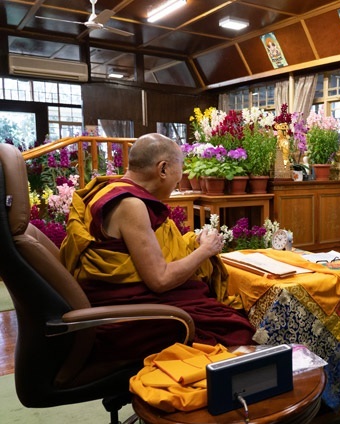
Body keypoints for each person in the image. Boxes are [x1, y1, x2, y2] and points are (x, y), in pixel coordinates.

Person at [59, 133, 256, 362]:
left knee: (220, 309)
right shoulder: (131, 205)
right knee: (237, 328)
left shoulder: (108, 189)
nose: (178, 180)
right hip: (127, 322)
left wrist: (192, 243)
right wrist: (205, 250)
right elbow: (160, 280)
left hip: (119, 301)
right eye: (179, 171)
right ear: (162, 169)